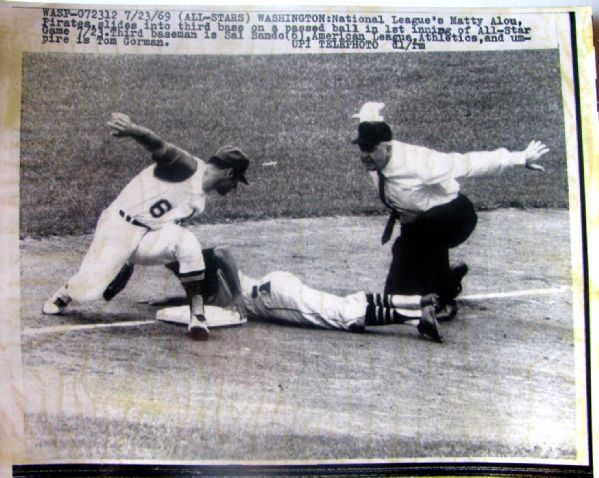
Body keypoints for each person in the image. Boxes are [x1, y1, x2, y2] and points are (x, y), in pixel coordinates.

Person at [42, 113, 251, 341]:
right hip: (118, 227)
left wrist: (183, 271)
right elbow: (158, 144)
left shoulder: (198, 203)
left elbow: (172, 245)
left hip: (147, 237)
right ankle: (65, 293)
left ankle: (197, 316)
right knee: (90, 290)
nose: (234, 188)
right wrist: (131, 129)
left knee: (187, 242)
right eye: (236, 181)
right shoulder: (187, 167)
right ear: (230, 172)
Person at [351, 102, 549, 317]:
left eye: (370, 149)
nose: (365, 156)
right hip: (421, 222)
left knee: (424, 238)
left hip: (454, 217)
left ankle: (444, 300)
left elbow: (468, 164)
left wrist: (518, 158)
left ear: (388, 147)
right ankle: (449, 278)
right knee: (396, 296)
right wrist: (367, 114)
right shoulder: (375, 160)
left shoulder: (419, 163)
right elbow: (370, 124)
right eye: (362, 148)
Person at [154, 247, 445, 343]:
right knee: (338, 304)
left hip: (269, 299)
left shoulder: (192, 258)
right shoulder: (189, 268)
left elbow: (223, 253)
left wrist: (238, 298)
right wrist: (172, 302)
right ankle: (416, 303)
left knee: (341, 316)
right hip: (274, 286)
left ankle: (417, 317)